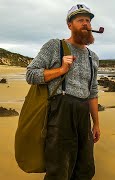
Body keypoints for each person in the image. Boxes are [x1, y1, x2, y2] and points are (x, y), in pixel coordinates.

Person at [26, 4, 100, 180]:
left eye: (88, 20)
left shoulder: (93, 57)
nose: (85, 24)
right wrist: (60, 70)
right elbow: (30, 74)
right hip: (60, 114)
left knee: (85, 168)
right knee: (59, 169)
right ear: (70, 25)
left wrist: (96, 123)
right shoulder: (54, 46)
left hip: (83, 114)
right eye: (80, 20)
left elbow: (92, 91)